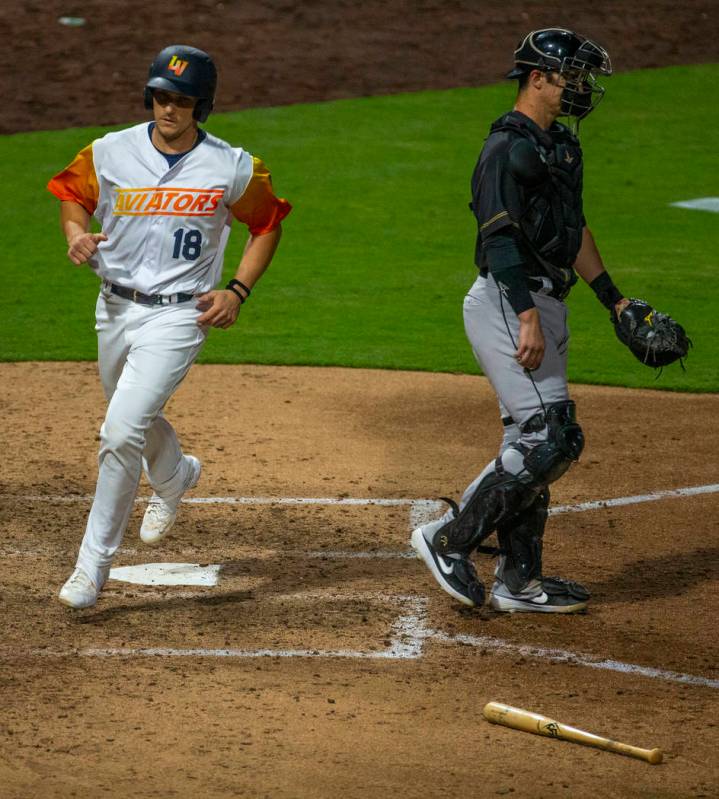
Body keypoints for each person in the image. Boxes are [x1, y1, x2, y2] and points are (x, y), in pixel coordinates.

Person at [48, 45, 291, 609]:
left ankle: (91, 569)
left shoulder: (232, 165)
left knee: (118, 431)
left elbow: (268, 223)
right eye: (160, 97)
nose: (168, 109)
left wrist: (237, 290)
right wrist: (74, 235)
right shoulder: (109, 152)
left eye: (180, 101)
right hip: (114, 308)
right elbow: (72, 198)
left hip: (181, 313)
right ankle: (176, 474)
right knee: (132, 417)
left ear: (201, 106)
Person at [411, 28, 628, 613]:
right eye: (573, 78)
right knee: (552, 436)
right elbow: (498, 238)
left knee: (529, 439)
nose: (582, 89)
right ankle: (446, 540)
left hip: (546, 302)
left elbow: (573, 232)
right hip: (510, 303)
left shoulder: (560, 146)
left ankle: (519, 582)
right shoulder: (505, 150)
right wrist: (527, 317)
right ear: (538, 78)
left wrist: (614, 299)